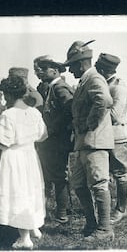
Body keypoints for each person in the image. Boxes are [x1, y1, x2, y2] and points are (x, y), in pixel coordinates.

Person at [64, 40, 115, 242]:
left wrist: (88, 124)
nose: (70, 70)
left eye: (71, 66)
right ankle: (92, 224)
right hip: (84, 143)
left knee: (99, 184)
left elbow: (104, 101)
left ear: (80, 63)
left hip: (95, 141)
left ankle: (104, 229)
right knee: (78, 184)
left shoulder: (94, 78)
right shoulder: (85, 80)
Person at [0, 75, 48, 250]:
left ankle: (24, 239)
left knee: (18, 192)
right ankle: (34, 226)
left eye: (5, 94)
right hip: (30, 155)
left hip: (14, 157)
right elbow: (43, 135)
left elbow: (3, 142)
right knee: (30, 189)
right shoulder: (34, 111)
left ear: (9, 95)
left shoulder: (8, 115)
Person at [35, 56, 74, 223]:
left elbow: (69, 111)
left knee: (59, 177)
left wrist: (51, 130)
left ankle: (62, 214)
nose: (40, 72)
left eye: (43, 69)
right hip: (50, 140)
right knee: (52, 175)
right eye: (38, 69)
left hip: (58, 140)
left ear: (55, 70)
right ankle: (60, 211)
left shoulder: (59, 88)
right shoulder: (50, 87)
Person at [95, 53, 127, 224]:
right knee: (106, 173)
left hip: (117, 136)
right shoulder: (106, 84)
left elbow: (115, 115)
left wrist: (93, 114)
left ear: (103, 69)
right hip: (105, 136)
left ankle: (121, 209)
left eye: (97, 67)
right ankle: (106, 208)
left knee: (121, 173)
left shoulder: (118, 87)